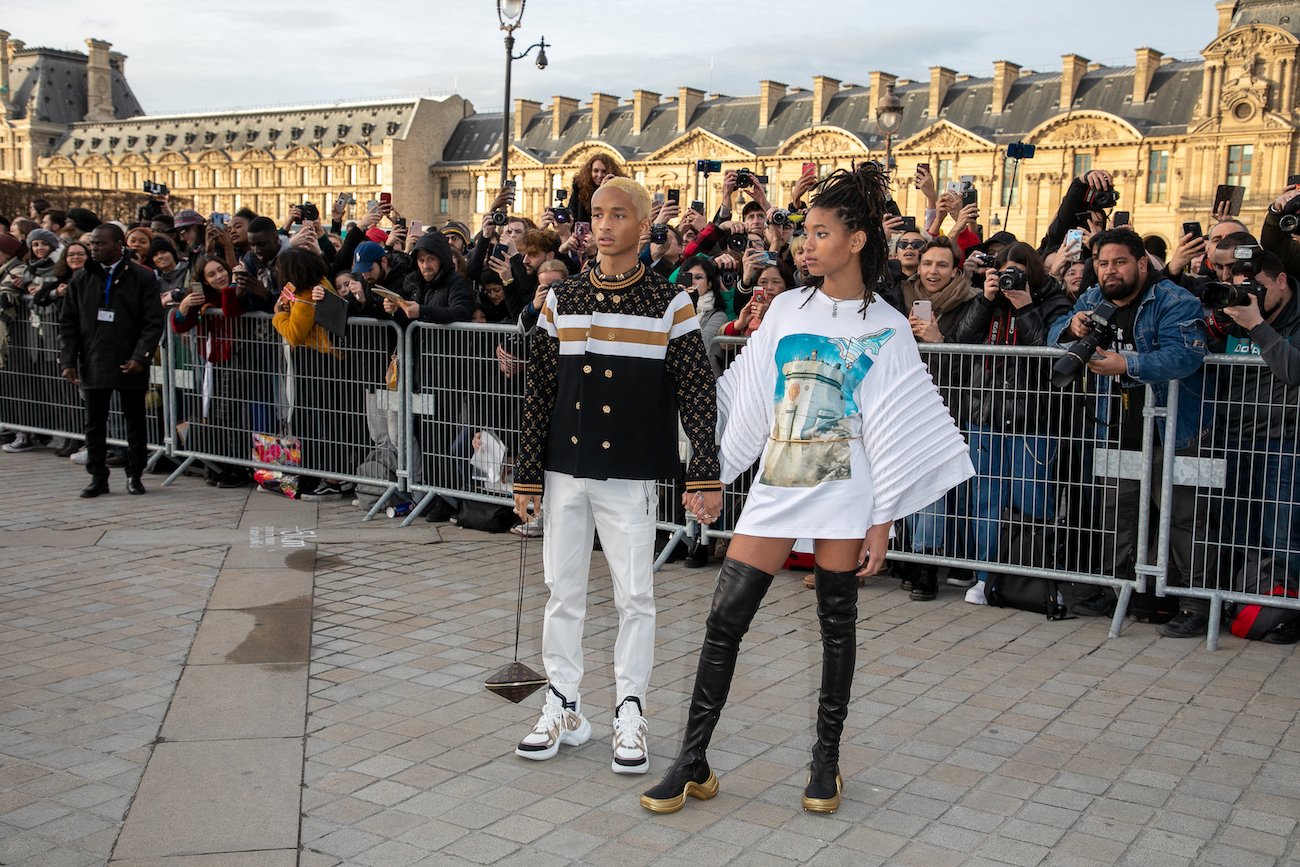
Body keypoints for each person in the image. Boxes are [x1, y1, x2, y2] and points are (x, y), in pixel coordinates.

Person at [640, 164, 973, 817]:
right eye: (805, 233)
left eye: (821, 233)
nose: (806, 245)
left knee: (836, 627)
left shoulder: (889, 325)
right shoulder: (788, 307)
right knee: (723, 619)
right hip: (779, 484)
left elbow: (895, 429)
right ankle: (692, 758)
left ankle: (826, 761)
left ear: (855, 240)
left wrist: (883, 519)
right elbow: (746, 397)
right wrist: (707, 468)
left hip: (847, 494)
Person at [511, 177, 721, 776]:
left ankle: (631, 707)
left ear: (644, 223)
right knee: (563, 590)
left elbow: (696, 391)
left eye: (619, 215)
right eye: (597, 214)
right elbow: (539, 391)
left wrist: (702, 473)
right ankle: (565, 704)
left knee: (635, 594)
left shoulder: (669, 302)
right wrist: (527, 475)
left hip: (629, 474)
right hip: (563, 472)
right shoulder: (562, 298)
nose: (604, 226)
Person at [1048, 229, 1210, 630]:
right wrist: (1073, 329)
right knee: (1117, 515)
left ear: (1141, 263)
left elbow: (1186, 355)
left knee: (1185, 520)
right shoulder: (1092, 300)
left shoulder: (1174, 300)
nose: (1109, 271)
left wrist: (1128, 366)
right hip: (1118, 427)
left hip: (1176, 431)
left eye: (1119, 262)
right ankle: (1117, 590)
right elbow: (1053, 337)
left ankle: (1197, 605)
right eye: (1102, 263)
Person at [58, 224, 165, 497]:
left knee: (135, 420)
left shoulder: (142, 276)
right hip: (94, 358)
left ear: (119, 245)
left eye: (100, 244)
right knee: (94, 422)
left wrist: (141, 356)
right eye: (92, 243)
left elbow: (152, 322)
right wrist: (68, 360)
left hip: (129, 360)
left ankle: (135, 474)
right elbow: (68, 322)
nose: (93, 248)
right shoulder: (81, 279)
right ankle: (97, 477)